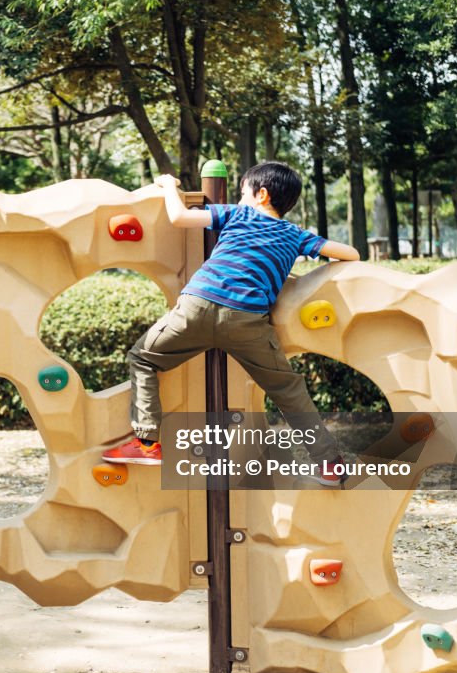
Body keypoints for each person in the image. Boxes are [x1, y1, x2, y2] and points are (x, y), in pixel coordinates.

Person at [102, 161, 360, 486]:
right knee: (287, 389)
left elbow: (179, 217)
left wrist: (168, 185)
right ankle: (330, 464)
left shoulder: (239, 215)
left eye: (242, 194)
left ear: (261, 194)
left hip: (196, 307)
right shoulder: (295, 235)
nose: (239, 200)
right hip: (247, 320)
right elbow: (350, 253)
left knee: (142, 357)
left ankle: (148, 443)